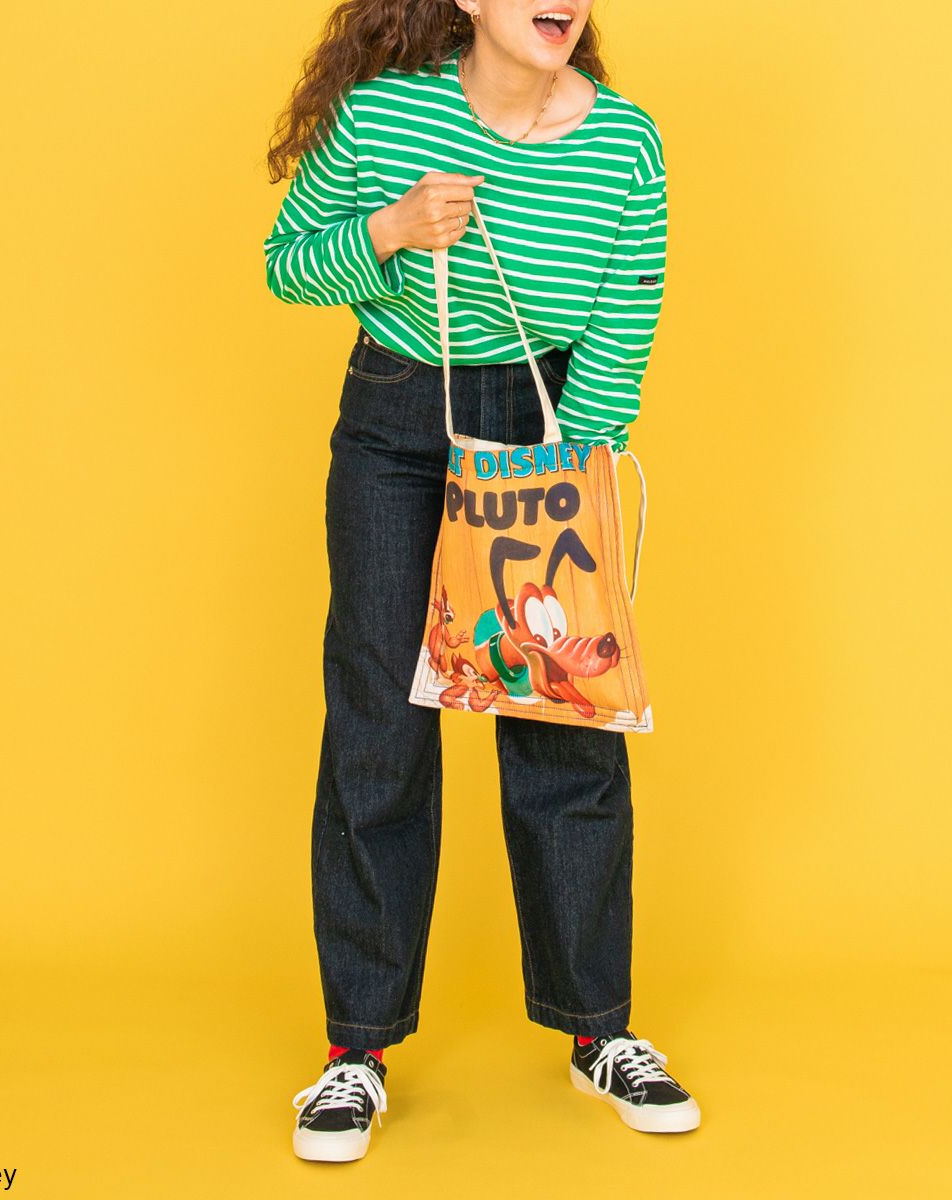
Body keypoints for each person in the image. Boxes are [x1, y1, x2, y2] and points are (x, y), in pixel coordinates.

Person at [263, 0, 699, 1162]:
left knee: (563, 713)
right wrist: (392, 229)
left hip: (549, 423)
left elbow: (624, 322)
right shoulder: (382, 118)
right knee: (379, 726)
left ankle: (599, 1029)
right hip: (396, 423)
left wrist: (565, 473)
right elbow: (287, 266)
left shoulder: (625, 144)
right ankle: (355, 1049)